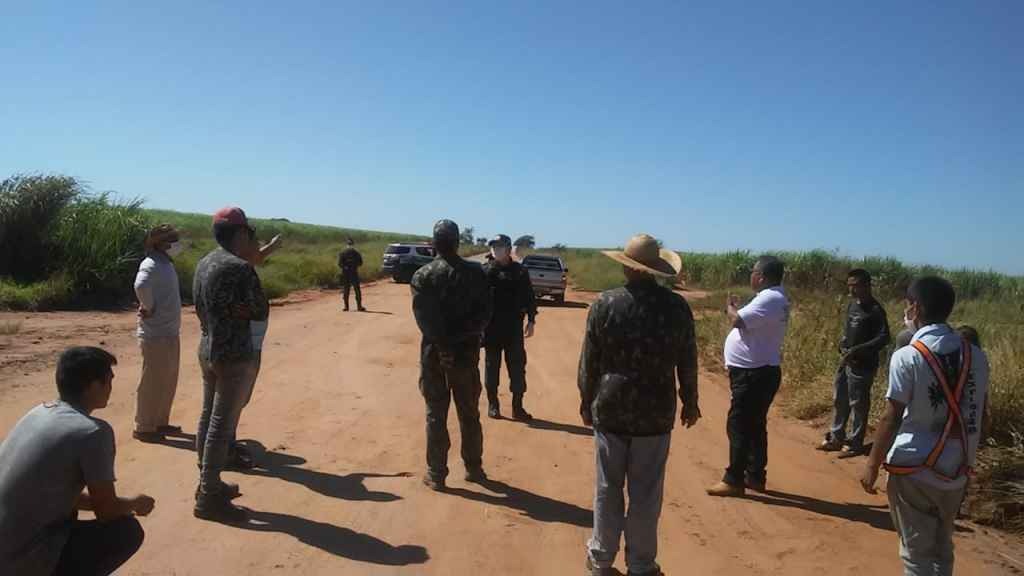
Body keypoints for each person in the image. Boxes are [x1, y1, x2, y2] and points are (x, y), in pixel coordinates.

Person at [578, 234, 700, 576]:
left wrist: (585, 400)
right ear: (656, 270)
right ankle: (642, 565)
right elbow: (687, 360)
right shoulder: (677, 308)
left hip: (611, 407)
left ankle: (601, 559)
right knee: (646, 493)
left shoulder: (605, 303)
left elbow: (590, 359)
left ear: (627, 268)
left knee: (607, 487)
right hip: (656, 412)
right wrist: (690, 401)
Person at [861, 276, 989, 576]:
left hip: (914, 468)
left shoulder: (908, 356)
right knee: (943, 550)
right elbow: (981, 413)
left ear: (915, 308)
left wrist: (872, 464)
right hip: (956, 469)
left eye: (908, 305)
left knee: (915, 556)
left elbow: (891, 416)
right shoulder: (977, 357)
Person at [0, 347, 154, 576]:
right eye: (108, 381)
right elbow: (106, 510)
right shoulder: (93, 432)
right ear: (92, 385)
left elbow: (51, 493)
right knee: (126, 532)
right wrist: (134, 503)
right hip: (19, 558)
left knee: (71, 515)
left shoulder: (38, 412)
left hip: (7, 543)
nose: (111, 388)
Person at [192, 206, 270, 521]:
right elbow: (260, 309)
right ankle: (209, 494)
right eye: (249, 233)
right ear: (239, 234)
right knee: (221, 426)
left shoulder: (204, 262)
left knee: (207, 416)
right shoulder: (240, 268)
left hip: (207, 346)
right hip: (234, 354)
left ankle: (207, 482)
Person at [411, 219, 493, 491]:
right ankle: (474, 468)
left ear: (434, 244)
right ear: (458, 242)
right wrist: (459, 340)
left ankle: (436, 473)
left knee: (436, 413)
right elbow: (484, 317)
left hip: (434, 356)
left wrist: (442, 344)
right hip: (465, 355)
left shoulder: (423, 275)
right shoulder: (477, 273)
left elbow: (424, 320)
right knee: (469, 413)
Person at [707, 255, 790, 497]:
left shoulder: (770, 298)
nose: (751, 275)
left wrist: (730, 308)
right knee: (754, 425)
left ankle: (734, 479)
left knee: (740, 425)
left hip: (754, 373)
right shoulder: (773, 297)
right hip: (758, 370)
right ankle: (754, 475)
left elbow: (739, 321)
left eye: (753, 272)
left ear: (761, 276)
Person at [818, 269, 891, 457]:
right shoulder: (852, 306)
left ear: (866, 286)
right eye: (849, 285)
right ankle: (836, 437)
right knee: (840, 399)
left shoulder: (875, 310)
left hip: (862, 365)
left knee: (858, 404)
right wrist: (843, 344)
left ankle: (855, 442)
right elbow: (848, 330)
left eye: (856, 286)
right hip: (846, 361)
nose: (852, 290)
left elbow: (884, 337)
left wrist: (860, 349)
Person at [132, 224, 186, 443]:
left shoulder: (165, 263)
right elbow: (141, 285)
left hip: (170, 332)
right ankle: (144, 426)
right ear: (160, 243)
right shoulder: (151, 263)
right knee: (152, 382)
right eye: (172, 240)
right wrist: (148, 306)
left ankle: (160, 422)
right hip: (155, 335)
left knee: (167, 380)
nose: (176, 244)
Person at [482, 234, 538, 421]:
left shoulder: (520, 271)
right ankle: (493, 405)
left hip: (514, 330)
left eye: (499, 246)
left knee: (517, 369)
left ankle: (517, 407)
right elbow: (476, 301)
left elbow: (529, 296)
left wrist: (531, 319)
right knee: (492, 369)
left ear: (508, 249)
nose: (496, 250)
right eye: (493, 247)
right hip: (491, 330)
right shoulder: (485, 271)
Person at [338, 237, 366, 312]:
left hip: (346, 273)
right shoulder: (356, 253)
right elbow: (360, 263)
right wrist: (354, 265)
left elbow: (340, 264)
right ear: (353, 244)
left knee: (346, 290)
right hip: (354, 273)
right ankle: (359, 307)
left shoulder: (343, 253)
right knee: (357, 290)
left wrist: (346, 267)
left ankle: (346, 307)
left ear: (347, 244)